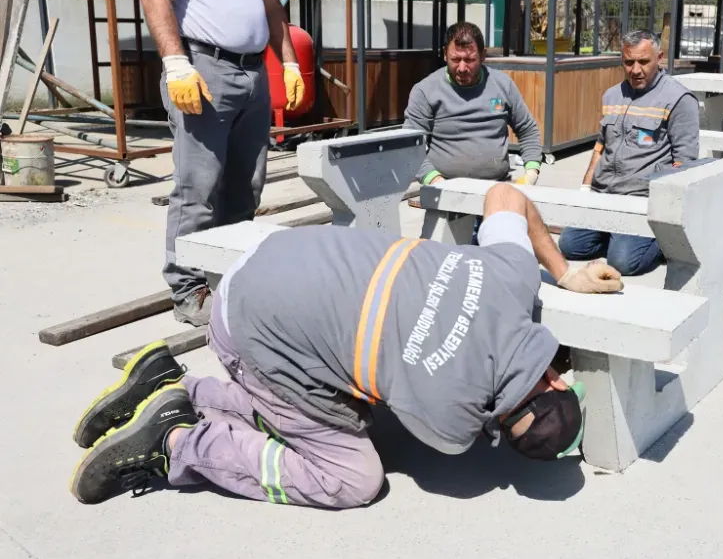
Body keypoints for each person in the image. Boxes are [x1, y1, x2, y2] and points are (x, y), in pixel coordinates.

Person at [69, 184, 624, 507]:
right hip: (250, 327)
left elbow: (506, 194)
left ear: (555, 378)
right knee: (353, 475)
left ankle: (175, 386)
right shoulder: (455, 425)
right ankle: (178, 445)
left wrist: (564, 272)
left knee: (345, 391)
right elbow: (415, 411)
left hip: (273, 260)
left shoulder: (513, 276)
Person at [141, 0, 305, 327]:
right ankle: (189, 288)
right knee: (199, 186)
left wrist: (288, 61)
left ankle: (229, 274)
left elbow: (270, 4)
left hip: (254, 72)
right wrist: (176, 63)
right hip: (203, 68)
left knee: (246, 185)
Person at [559, 29, 701, 276]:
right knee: (570, 246)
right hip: (604, 194)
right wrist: (585, 189)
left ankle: (657, 241)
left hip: (642, 199)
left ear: (659, 58)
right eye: (628, 62)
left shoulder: (679, 99)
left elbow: (684, 163)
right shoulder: (612, 95)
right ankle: (620, 237)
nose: (635, 70)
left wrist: (667, 218)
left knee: (623, 263)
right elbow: (601, 146)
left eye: (643, 62)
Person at [403, 22, 544, 187]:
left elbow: (527, 129)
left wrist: (531, 173)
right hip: (443, 186)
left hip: (497, 185)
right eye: (455, 59)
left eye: (470, 60)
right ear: (445, 54)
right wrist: (435, 181)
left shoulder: (503, 85)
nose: (462, 68)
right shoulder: (425, 90)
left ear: (483, 55)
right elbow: (410, 146)